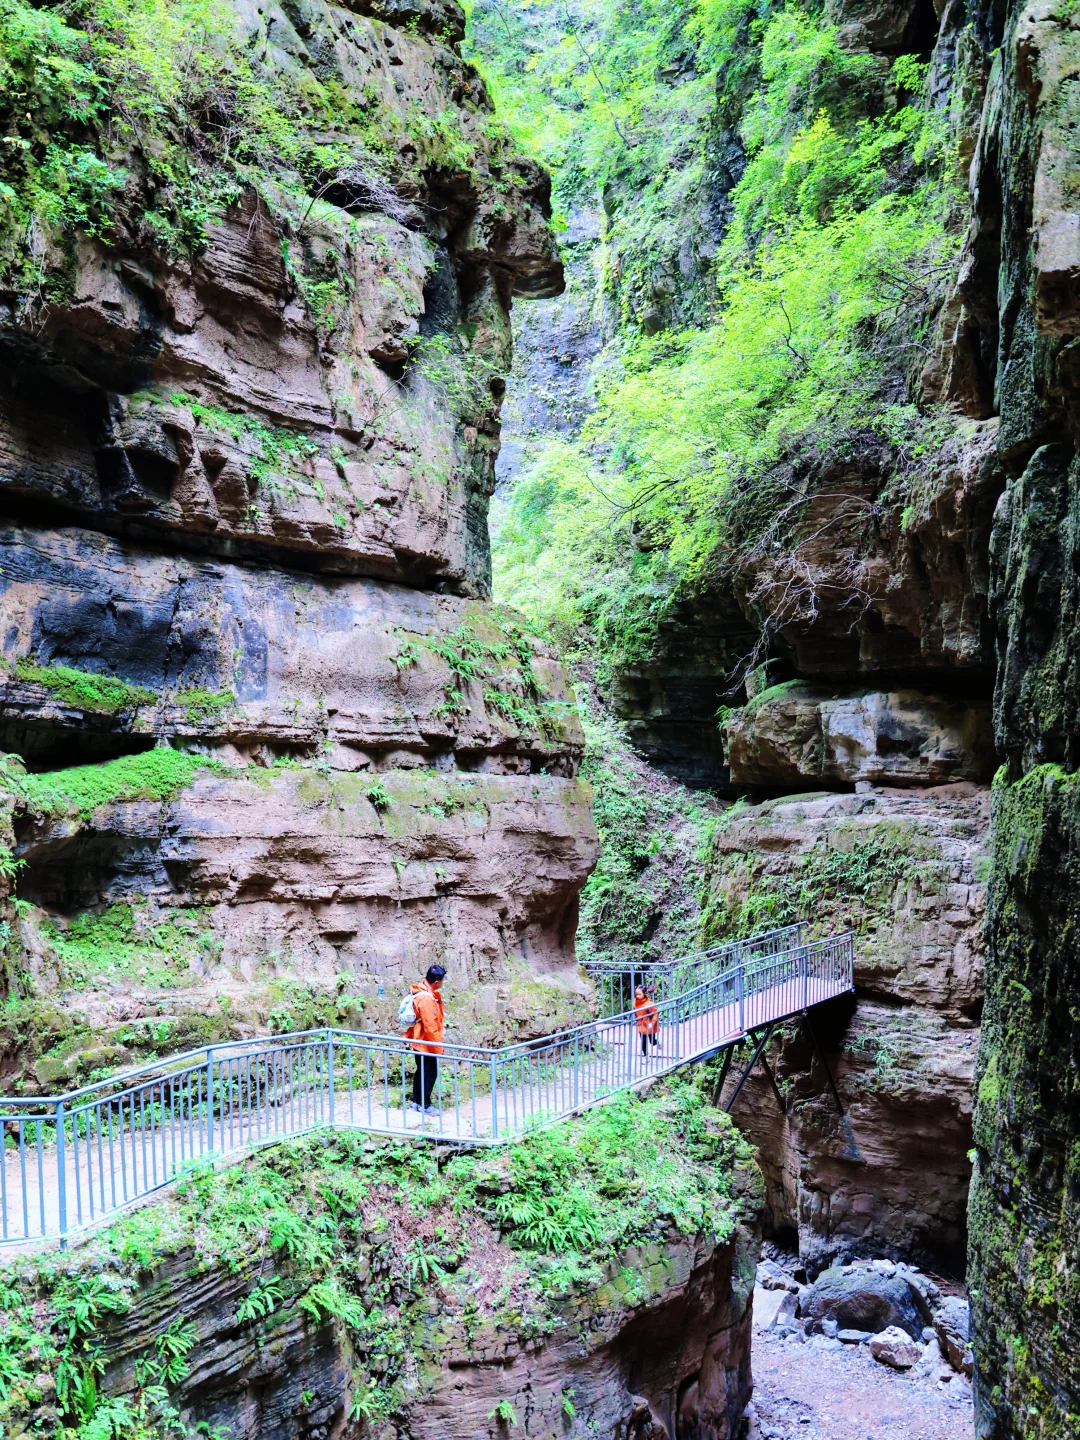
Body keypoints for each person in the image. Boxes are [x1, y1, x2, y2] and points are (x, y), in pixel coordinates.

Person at [407, 964, 446, 1112]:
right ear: (437, 982)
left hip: (420, 1040)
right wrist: (438, 1047)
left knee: (421, 1071)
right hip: (425, 1042)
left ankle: (416, 1102)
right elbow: (430, 1027)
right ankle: (425, 1104)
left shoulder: (422, 991)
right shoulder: (426, 998)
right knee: (429, 1073)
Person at [634, 985, 660, 1057]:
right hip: (641, 1026)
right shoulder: (635, 1002)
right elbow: (635, 1010)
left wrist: (653, 1023)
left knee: (652, 1042)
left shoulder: (649, 1004)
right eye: (636, 994)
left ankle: (657, 1042)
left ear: (644, 994)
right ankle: (646, 1056)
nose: (637, 996)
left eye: (639, 994)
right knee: (643, 1042)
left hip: (649, 1025)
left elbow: (655, 1013)